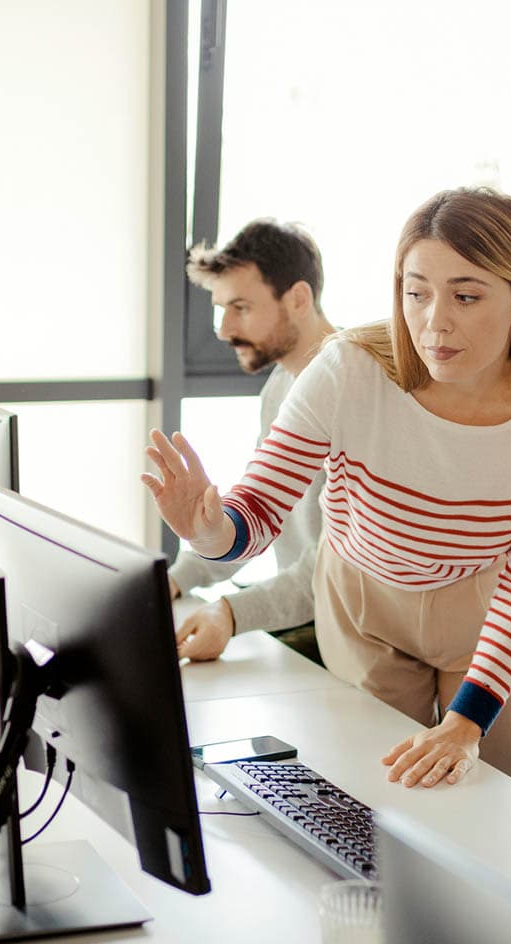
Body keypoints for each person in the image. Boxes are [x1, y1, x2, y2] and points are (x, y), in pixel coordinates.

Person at [143, 187, 511, 790]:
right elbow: (259, 508)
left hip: (488, 604)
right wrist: (210, 531)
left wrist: (467, 722)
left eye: (466, 296)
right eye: (416, 293)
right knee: (376, 794)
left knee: (496, 793)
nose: (435, 321)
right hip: (364, 601)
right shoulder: (348, 369)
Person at [168, 219, 334, 661]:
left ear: (299, 299)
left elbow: (331, 573)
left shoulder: (354, 394)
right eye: (222, 307)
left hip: (342, 632)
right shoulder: (280, 386)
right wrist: (176, 578)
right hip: (304, 618)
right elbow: (256, 521)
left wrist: (231, 613)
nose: (223, 330)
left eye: (240, 306)